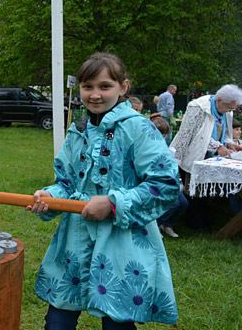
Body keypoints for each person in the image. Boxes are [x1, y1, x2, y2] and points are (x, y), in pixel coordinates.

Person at [26, 53, 180, 329]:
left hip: (123, 240)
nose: (95, 94)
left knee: (116, 321)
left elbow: (165, 184)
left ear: (123, 87)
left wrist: (112, 204)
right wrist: (51, 195)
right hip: (75, 238)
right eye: (88, 87)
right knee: (57, 321)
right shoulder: (78, 131)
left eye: (105, 86)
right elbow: (66, 183)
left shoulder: (139, 129)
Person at [170, 84, 242, 231]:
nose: (230, 111)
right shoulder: (198, 108)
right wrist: (217, 147)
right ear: (219, 100)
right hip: (192, 154)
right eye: (229, 107)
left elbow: (225, 133)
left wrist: (229, 143)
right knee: (194, 190)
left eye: (232, 109)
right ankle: (194, 223)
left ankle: (204, 220)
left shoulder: (226, 111)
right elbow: (194, 136)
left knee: (205, 190)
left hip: (210, 157)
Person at [150, 114, 189, 238]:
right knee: (174, 203)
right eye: (160, 134)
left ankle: (167, 224)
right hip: (157, 182)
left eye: (164, 135)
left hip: (170, 181)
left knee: (184, 203)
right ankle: (155, 224)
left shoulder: (166, 148)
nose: (162, 137)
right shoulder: (148, 148)